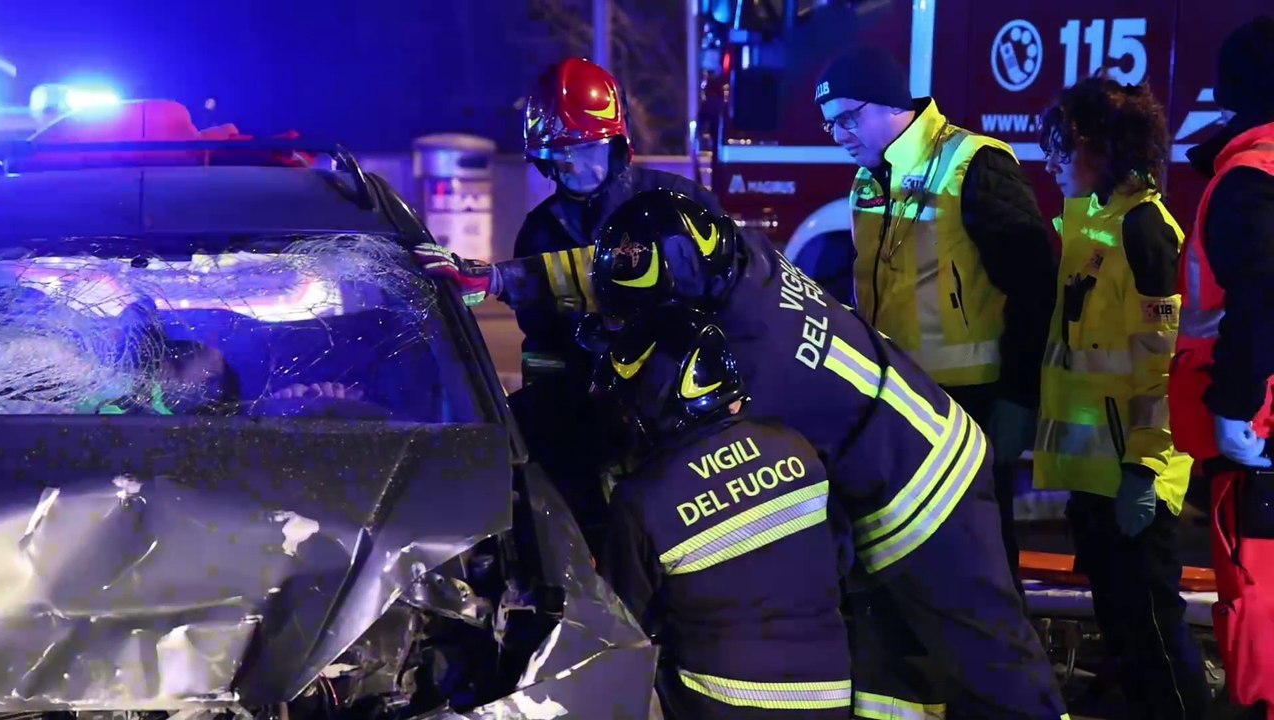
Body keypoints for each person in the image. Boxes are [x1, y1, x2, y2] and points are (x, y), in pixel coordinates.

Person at [457, 187, 1069, 718]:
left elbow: (680, 442)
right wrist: (498, 280)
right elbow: (614, 268)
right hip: (894, 460)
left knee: (989, 657)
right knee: (891, 667)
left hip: (926, 488)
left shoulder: (753, 356)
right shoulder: (738, 256)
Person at [431, 56, 729, 547]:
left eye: (590, 149)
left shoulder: (674, 203)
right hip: (590, 408)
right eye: (564, 155)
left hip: (679, 404)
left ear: (617, 144)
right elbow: (541, 342)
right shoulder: (541, 231)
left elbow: (680, 284)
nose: (579, 167)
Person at [813, 45, 1057, 588]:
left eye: (847, 119)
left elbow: (1034, 287)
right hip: (900, 398)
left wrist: (1017, 399)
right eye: (831, 126)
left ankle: (1003, 670)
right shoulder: (869, 180)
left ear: (890, 105)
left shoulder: (973, 164)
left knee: (982, 560)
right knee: (911, 555)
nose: (839, 136)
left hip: (969, 400)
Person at [1035, 75, 1208, 720]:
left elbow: (1158, 363)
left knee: (1156, 644)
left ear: (1100, 146)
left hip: (1133, 483)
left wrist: (1142, 466)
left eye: (1060, 147)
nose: (1050, 161)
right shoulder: (1097, 229)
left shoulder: (1142, 231)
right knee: (1133, 643)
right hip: (1098, 483)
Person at [594, 306, 852, 720]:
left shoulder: (642, 499)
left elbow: (618, 624)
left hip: (722, 704)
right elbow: (841, 558)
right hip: (830, 697)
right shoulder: (797, 448)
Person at [1170, 14, 1274, 718]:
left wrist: (1235, 408)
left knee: (1256, 589)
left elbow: (1260, 298)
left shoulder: (1250, 177)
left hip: (1258, 430)